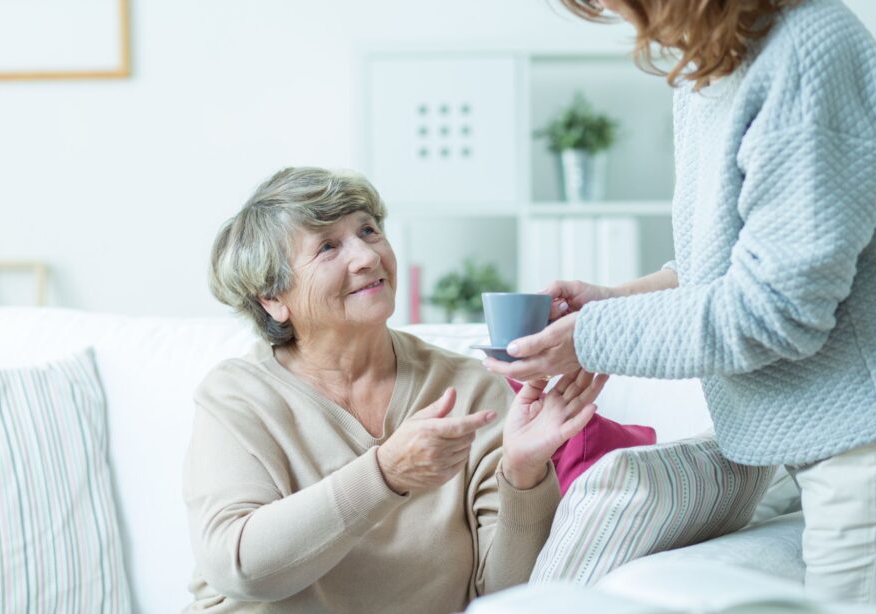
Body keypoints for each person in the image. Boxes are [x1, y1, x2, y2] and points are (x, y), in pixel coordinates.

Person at [486, 0, 876, 609]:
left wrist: (590, 335)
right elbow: (737, 265)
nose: (611, 12)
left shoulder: (809, 51)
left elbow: (775, 310)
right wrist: (610, 301)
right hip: (822, 433)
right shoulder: (708, 65)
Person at [182, 167, 608, 613]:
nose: (367, 256)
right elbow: (239, 568)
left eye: (369, 230)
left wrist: (524, 475)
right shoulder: (237, 396)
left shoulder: (469, 389)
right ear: (272, 298)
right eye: (328, 246)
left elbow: (504, 598)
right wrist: (385, 474)